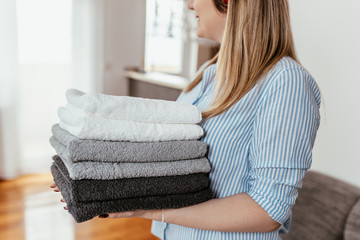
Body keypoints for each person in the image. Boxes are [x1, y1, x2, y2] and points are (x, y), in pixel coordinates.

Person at [51, 0, 321, 239]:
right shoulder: (208, 73)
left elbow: (267, 210)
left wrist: (147, 209)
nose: (190, 4)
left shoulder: (286, 81)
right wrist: (94, 180)